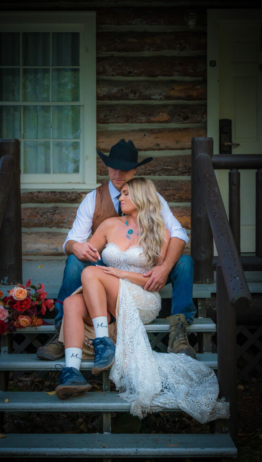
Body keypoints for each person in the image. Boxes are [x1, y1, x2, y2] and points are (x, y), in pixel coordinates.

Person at [55, 178, 228, 424]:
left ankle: (103, 341)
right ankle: (71, 372)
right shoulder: (108, 225)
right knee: (73, 301)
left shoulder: (160, 232)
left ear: (140, 197)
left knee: (92, 274)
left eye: (125, 193)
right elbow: (89, 258)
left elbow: (152, 280)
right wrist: (76, 247)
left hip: (142, 296)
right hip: (109, 292)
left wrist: (121, 274)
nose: (120, 198)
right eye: (120, 194)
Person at [37, 139, 196, 361]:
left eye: (124, 168)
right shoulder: (94, 198)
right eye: (113, 167)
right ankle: (61, 331)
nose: (117, 173)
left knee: (185, 262)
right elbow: (71, 241)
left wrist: (165, 267)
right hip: (105, 265)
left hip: (146, 270)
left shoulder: (152, 199)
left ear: (135, 170)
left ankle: (179, 328)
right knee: (74, 261)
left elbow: (178, 234)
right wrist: (77, 247)